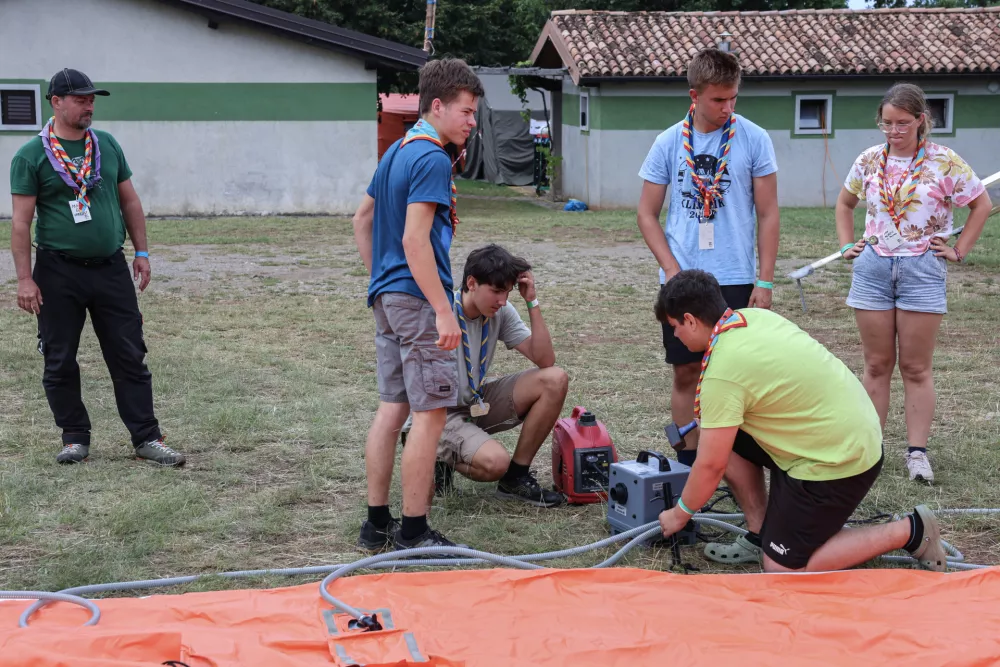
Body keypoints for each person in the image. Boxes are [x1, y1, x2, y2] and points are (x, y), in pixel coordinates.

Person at [654, 270, 948, 572]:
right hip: (837, 435)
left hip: (838, 461)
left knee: (783, 568)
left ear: (690, 319)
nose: (675, 335)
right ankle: (760, 535)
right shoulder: (753, 318)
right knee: (717, 431)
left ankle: (910, 531)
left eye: (674, 327)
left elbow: (711, 465)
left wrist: (679, 514)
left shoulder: (723, 370)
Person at [9, 68, 185, 467]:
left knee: (129, 353)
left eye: (93, 99)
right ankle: (74, 437)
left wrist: (141, 253)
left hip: (110, 268)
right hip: (58, 271)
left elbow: (130, 202)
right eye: (82, 99)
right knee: (59, 357)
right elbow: (21, 222)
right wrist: (24, 278)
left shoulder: (105, 144)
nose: (90, 106)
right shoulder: (31, 155)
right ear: (56, 101)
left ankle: (146, 438)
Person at [352, 58, 484, 553]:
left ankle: (375, 524)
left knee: (393, 409)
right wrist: (444, 310)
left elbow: (361, 220)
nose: (472, 122)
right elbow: (415, 241)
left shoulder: (396, 152)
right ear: (437, 106)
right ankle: (413, 531)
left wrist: (379, 279)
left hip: (389, 297)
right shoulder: (430, 156)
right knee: (429, 415)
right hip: (417, 299)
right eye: (466, 112)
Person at [835, 83, 992, 484]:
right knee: (876, 364)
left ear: (922, 120)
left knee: (916, 367)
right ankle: (870, 451)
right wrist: (846, 244)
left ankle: (917, 454)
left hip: (922, 268)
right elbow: (845, 203)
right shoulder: (870, 160)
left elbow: (981, 204)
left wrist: (959, 250)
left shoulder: (944, 161)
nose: (894, 131)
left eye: (902, 123)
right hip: (873, 268)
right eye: (887, 123)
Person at [636, 47, 780, 468]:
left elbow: (769, 213)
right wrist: (671, 269)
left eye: (733, 97)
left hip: (735, 276)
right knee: (686, 373)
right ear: (694, 96)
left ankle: (739, 467)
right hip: (683, 279)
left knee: (739, 379)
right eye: (718, 99)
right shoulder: (667, 142)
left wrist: (765, 281)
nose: (727, 107)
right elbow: (646, 213)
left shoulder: (754, 137)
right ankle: (687, 468)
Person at [407, 244, 568, 507]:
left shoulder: (500, 311)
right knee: (495, 463)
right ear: (471, 283)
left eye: (507, 292)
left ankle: (515, 478)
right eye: (496, 291)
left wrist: (532, 301)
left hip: (474, 401)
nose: (503, 300)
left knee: (555, 379)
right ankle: (435, 455)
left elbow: (545, 360)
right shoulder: (443, 310)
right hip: (437, 413)